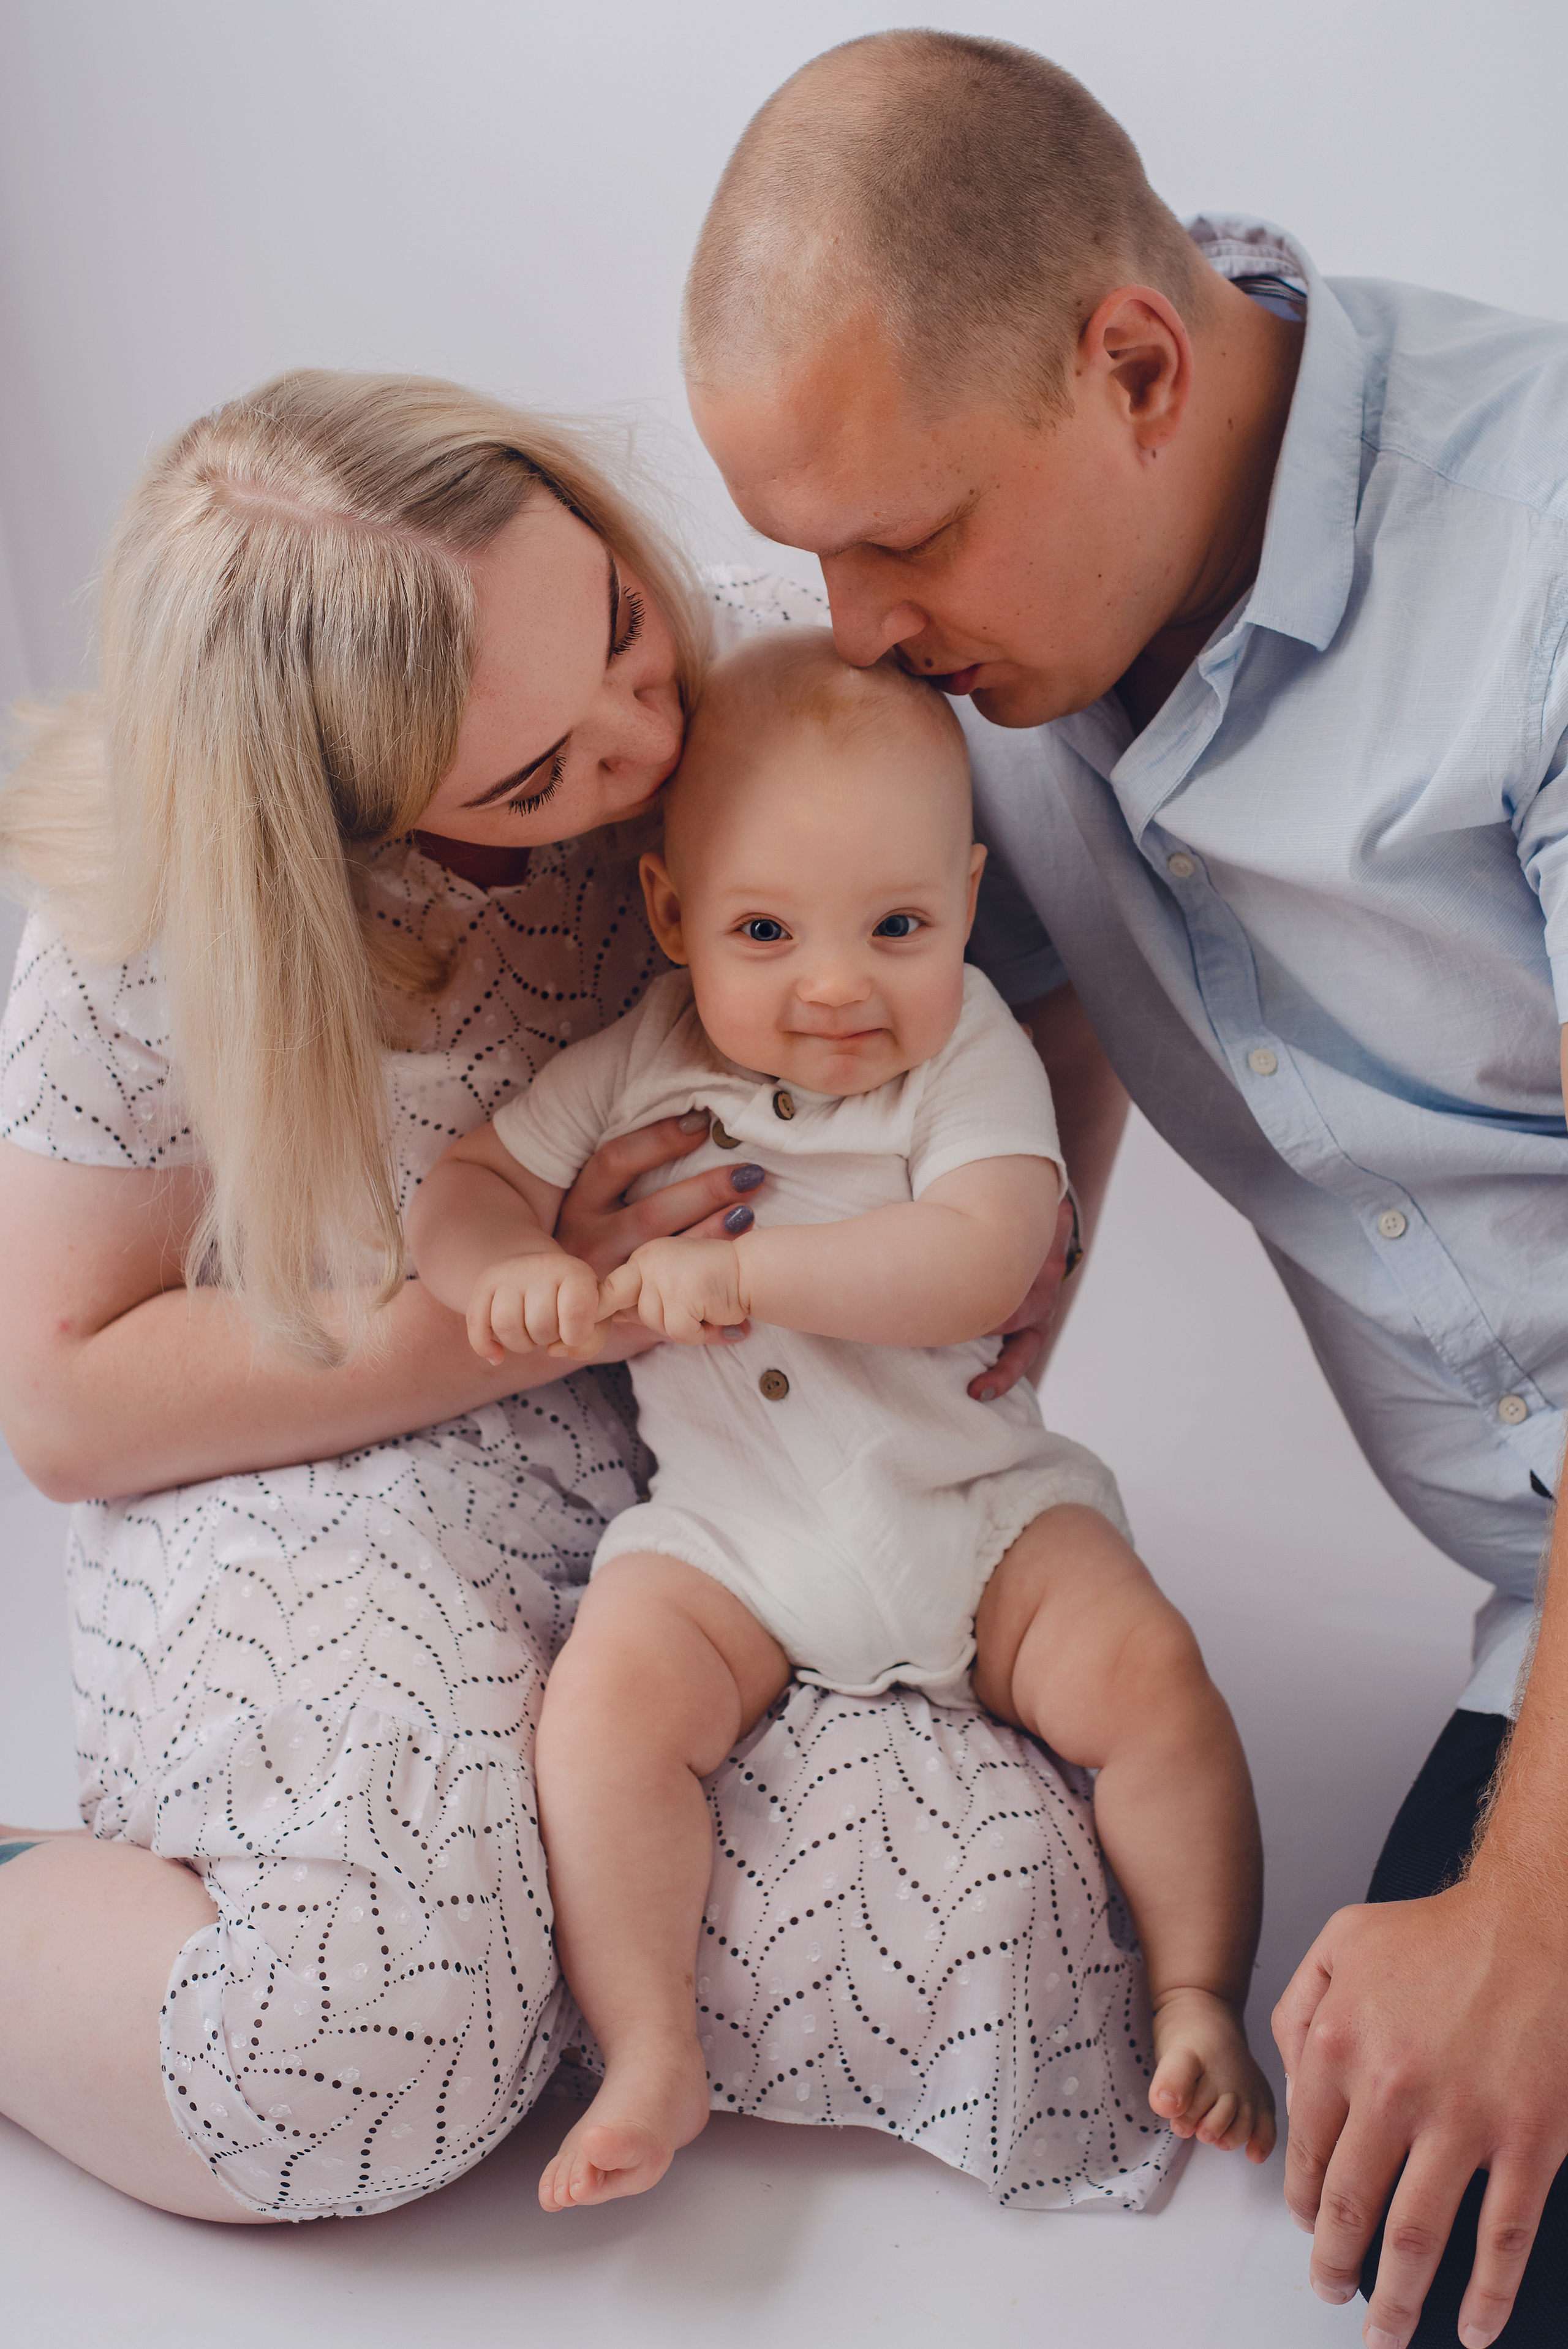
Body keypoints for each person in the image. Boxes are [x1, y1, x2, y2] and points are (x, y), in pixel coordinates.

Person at [0, 366, 1163, 2225]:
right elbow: (62, 1403)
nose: (646, 737)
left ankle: (544, 1936)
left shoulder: (752, 700)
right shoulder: (154, 914)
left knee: (1020, 1905)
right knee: (353, 2035)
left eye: (621, 625)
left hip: (703, 1473)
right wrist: (554, 1299)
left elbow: (1052, 930)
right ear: (345, 813)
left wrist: (1050, 1206)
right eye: (540, 776)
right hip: (328, 1478)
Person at [682, 28, 1568, 2349]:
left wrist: (1530, 1923)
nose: (858, 632)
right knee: (1450, 2242)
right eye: (812, 557)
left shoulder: (1542, 555)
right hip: (1536, 1609)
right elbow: (1014, 973)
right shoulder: (1000, 649)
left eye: (904, 539)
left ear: (1138, 365)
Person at [409, 628, 1275, 2210]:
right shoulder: (638, 1064)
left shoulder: (966, 1059)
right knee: (603, 1714)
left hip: (978, 1505)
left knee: (1148, 1676)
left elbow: (986, 1251)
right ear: (672, 914)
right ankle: (651, 2039)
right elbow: (463, 1188)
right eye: (764, 927)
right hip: (733, 1542)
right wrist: (511, 1273)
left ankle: (1200, 1985)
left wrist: (757, 1273)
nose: (837, 985)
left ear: (961, 893)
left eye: (896, 924)